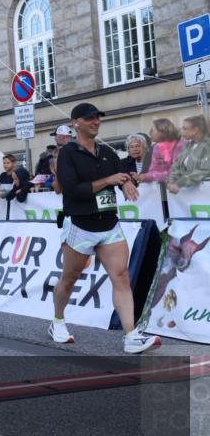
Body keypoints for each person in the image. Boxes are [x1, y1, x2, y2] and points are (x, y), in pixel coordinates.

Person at [52, 102, 159, 353]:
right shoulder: (68, 153)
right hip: (81, 223)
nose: (96, 122)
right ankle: (58, 320)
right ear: (76, 123)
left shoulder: (107, 152)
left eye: (98, 118)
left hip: (109, 224)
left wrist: (125, 183)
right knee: (69, 278)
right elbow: (72, 190)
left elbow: (122, 172)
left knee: (121, 276)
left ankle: (131, 336)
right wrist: (109, 180)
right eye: (90, 118)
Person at [167, 115, 210, 192]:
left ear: (195, 130)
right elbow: (177, 165)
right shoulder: (188, 145)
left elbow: (204, 171)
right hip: (189, 195)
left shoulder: (208, 145)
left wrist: (179, 183)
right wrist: (171, 181)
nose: (181, 131)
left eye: (185, 128)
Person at [139, 118, 184, 184]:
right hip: (165, 188)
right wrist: (142, 177)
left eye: (152, 130)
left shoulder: (180, 145)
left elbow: (176, 173)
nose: (149, 133)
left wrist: (145, 177)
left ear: (162, 130)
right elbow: (153, 170)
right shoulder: (156, 147)